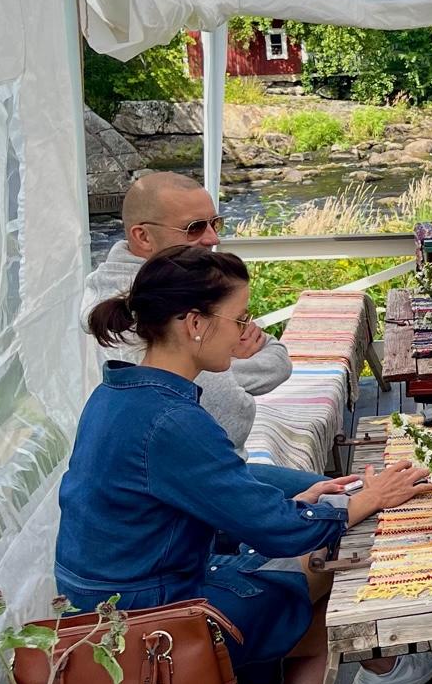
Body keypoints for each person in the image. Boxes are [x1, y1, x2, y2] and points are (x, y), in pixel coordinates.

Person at [57, 245, 432, 684]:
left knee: (312, 574)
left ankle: (373, 683)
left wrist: (315, 491)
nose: (247, 331)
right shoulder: (171, 419)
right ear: (193, 324)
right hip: (152, 629)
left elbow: (224, 482)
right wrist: (365, 501)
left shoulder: (120, 396)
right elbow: (277, 532)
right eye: (239, 318)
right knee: (316, 602)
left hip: (110, 609)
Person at [86, 172, 295, 473]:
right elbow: (226, 414)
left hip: (202, 464)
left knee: (338, 492)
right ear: (143, 236)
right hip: (180, 473)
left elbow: (277, 359)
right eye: (195, 228)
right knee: (344, 500)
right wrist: (228, 359)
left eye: (215, 222)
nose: (212, 238)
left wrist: (221, 362)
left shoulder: (181, 278)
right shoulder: (126, 303)